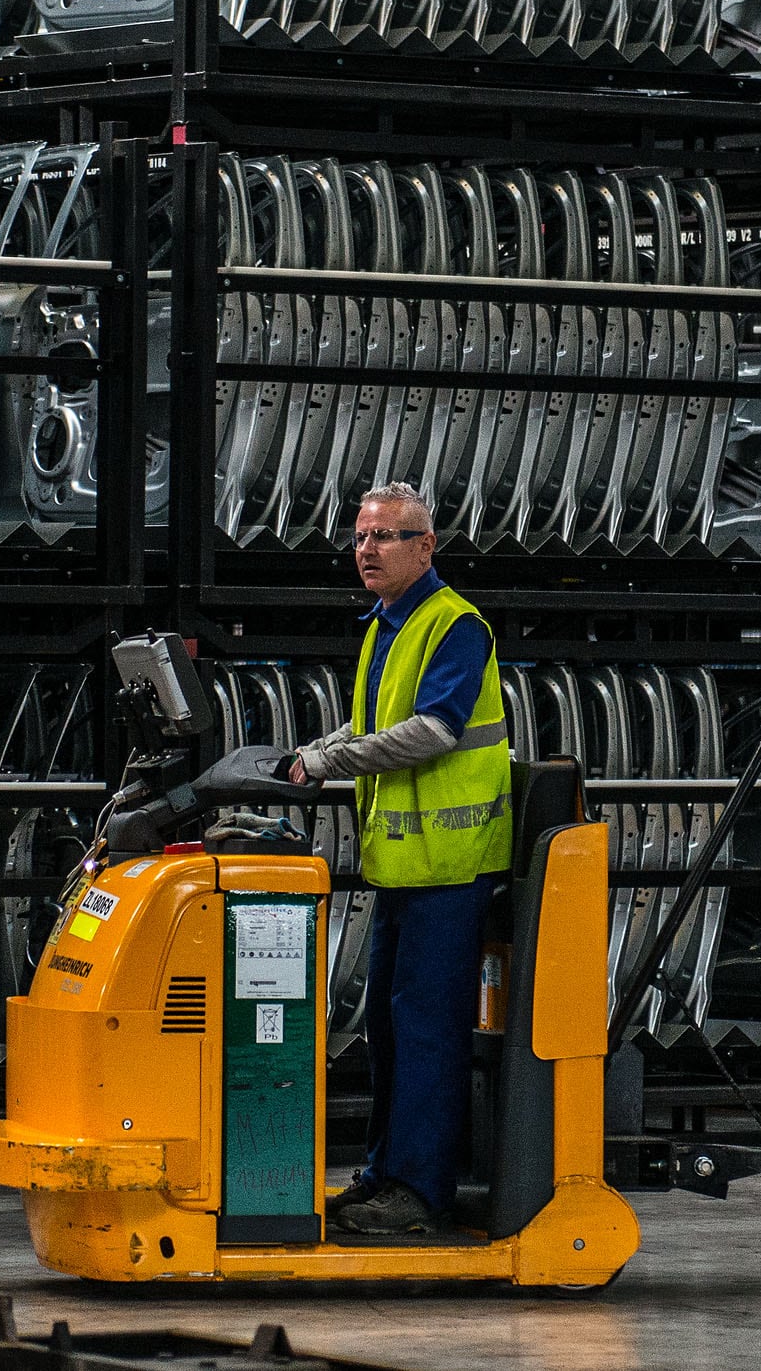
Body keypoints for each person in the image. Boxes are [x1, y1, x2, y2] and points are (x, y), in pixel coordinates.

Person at [282, 481, 513, 1236]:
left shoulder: (455, 624)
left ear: (426, 545)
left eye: (385, 536)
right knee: (386, 1023)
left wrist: (333, 762)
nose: (367, 549)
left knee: (427, 1030)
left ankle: (419, 1190)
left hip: (451, 867)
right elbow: (373, 722)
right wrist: (317, 750)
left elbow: (434, 730)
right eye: (359, 537)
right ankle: (383, 1173)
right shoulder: (386, 624)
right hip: (402, 868)